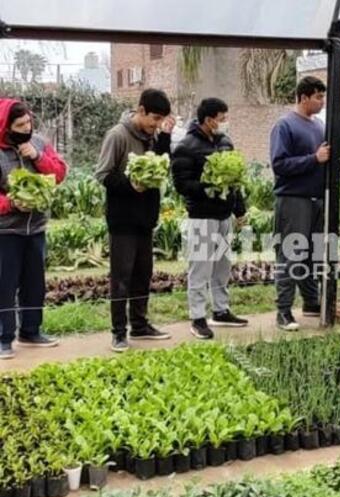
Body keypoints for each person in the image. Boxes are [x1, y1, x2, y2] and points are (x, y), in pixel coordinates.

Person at [94, 89, 175, 352]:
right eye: (154, 118)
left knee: (143, 274)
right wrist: (132, 185)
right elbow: (103, 175)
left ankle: (140, 325)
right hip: (122, 220)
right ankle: (119, 332)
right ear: (140, 111)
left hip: (146, 219)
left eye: (161, 119)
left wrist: (165, 138)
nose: (156, 124)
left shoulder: (154, 137)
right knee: (121, 277)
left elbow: (163, 165)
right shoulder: (117, 135)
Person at [171, 98, 248, 340]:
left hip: (224, 215)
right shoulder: (187, 146)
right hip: (201, 216)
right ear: (208, 120)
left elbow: (235, 181)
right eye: (222, 118)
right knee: (200, 267)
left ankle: (221, 310)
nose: (225, 123)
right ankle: (197, 318)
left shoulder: (226, 143)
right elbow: (181, 184)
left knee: (222, 266)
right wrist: (209, 186)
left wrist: (239, 209)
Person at [0, 99, 67, 360]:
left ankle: (31, 330)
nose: (26, 128)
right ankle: (4, 337)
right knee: (5, 285)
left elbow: (59, 173)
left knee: (34, 283)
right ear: (6, 127)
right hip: (6, 231)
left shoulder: (38, 142)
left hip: (36, 228)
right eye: (19, 125)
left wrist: (37, 158)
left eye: (28, 122)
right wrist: (11, 203)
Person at [269, 76, 328, 331]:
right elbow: (279, 164)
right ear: (303, 98)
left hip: (316, 199)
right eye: (318, 97)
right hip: (293, 199)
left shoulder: (320, 126)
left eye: (323, 97)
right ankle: (283, 312)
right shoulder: (284, 125)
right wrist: (313, 159)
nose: (322, 102)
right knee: (291, 254)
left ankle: (311, 302)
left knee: (313, 254)